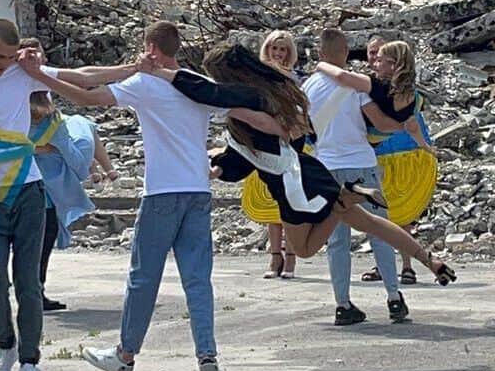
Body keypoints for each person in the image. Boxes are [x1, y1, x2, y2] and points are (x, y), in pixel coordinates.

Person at [18, 21, 289, 371]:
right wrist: (286, 124)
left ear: (151, 48)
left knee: (144, 278)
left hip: (162, 192)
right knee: (197, 279)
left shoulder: (144, 84)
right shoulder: (199, 85)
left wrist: (40, 78)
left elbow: (86, 95)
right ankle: (207, 360)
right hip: (198, 192)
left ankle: (125, 356)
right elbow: (256, 118)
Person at [138, 41, 457, 328]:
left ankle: (343, 205)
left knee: (305, 249)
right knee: (372, 224)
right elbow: (250, 152)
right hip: (308, 172)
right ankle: (428, 259)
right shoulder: (272, 94)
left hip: (293, 185)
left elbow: (207, 94)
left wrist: (164, 73)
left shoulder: (246, 99)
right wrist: (219, 167)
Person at [0, 19, 136, 371]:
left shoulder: (21, 73)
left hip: (29, 190)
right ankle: (5, 346)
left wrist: (132, 68)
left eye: (10, 56)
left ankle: (30, 360)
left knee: (28, 281)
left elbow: (83, 75)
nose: (5, 64)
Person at [316, 39, 435, 284]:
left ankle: (368, 285)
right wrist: (425, 146)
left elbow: (342, 76)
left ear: (394, 65)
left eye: (380, 60)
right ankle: (397, 279)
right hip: (372, 152)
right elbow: (411, 125)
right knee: (383, 222)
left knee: (357, 226)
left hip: (356, 156)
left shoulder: (376, 86)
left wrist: (321, 66)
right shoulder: (412, 95)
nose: (374, 63)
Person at [19, 37, 120, 311]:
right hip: (47, 194)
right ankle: (34, 294)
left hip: (13, 186)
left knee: (25, 247)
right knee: (42, 246)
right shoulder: (53, 121)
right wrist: (84, 166)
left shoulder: (10, 111)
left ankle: (26, 293)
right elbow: (75, 161)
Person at [248, 30, 304, 279]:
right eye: (274, 49)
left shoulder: (294, 79)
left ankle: (290, 257)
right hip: (264, 142)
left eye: (283, 50)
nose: (278, 54)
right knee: (271, 201)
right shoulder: (257, 77)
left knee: (289, 199)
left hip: (290, 142)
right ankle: (275, 256)